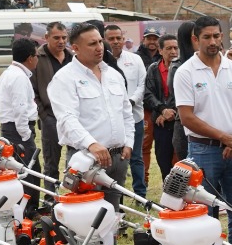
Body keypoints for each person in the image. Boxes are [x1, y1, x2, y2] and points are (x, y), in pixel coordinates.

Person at [175, 15, 232, 245]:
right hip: (202, 149)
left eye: (217, 36)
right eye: (206, 37)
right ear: (195, 39)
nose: (213, 42)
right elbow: (187, 116)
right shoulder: (186, 71)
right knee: (205, 211)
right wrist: (224, 137)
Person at [50, 22, 134, 187]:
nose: (99, 47)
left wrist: (129, 143)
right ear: (76, 48)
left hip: (118, 158)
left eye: (100, 42)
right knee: (88, 211)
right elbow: (67, 118)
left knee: (114, 211)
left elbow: (126, 113)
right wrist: (91, 144)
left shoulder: (114, 75)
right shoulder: (65, 78)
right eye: (92, 44)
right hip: (87, 159)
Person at [105, 25, 147, 196]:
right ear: (104, 40)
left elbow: (142, 84)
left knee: (136, 157)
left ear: (123, 39)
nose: (115, 42)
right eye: (111, 39)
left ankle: (140, 194)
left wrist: (131, 101)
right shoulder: (101, 62)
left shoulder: (135, 59)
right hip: (111, 120)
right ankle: (115, 195)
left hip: (134, 116)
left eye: (118, 38)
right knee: (113, 159)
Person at [0, 38, 39, 205]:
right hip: (18, 130)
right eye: (37, 56)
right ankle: (28, 208)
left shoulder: (10, 73)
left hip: (13, 129)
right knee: (27, 171)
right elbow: (19, 108)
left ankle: (25, 206)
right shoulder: (19, 77)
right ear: (30, 58)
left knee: (24, 169)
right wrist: (26, 134)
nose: (37, 59)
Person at [32, 21, 71, 185]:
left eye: (64, 37)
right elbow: (32, 90)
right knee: (51, 164)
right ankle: (50, 201)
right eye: (56, 38)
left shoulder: (73, 57)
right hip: (50, 117)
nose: (61, 41)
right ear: (46, 37)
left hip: (73, 117)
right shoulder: (37, 58)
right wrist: (44, 115)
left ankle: (73, 201)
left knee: (76, 163)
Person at [143, 34, 182, 188]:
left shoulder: (183, 67)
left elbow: (182, 94)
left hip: (179, 121)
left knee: (181, 160)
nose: (173, 51)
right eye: (169, 48)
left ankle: (183, 192)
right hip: (159, 122)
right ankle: (169, 191)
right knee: (163, 159)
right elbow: (148, 93)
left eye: (175, 48)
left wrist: (171, 112)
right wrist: (162, 110)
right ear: (160, 50)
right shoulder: (153, 69)